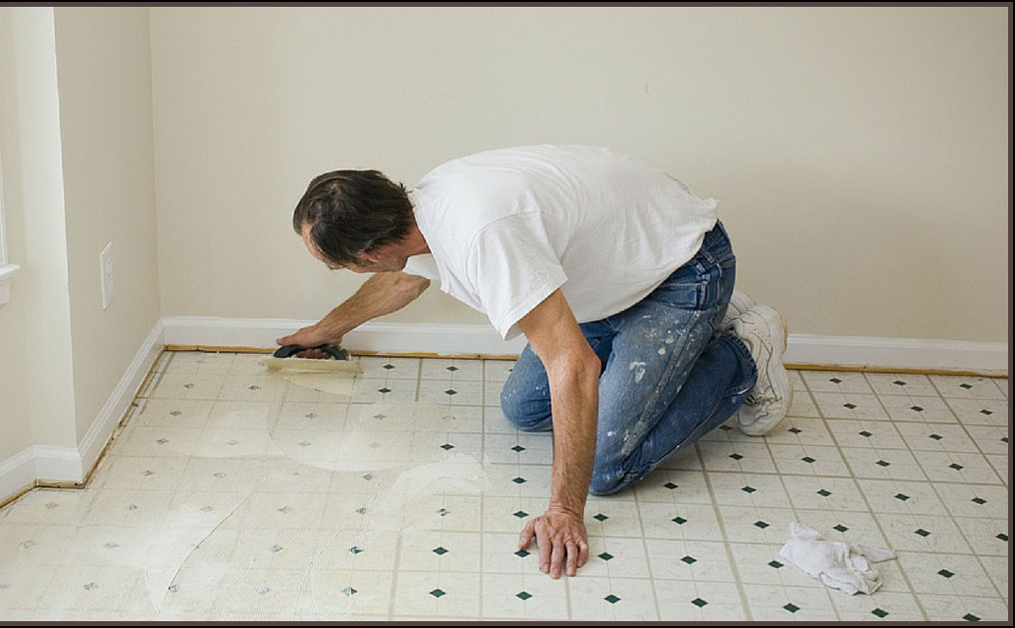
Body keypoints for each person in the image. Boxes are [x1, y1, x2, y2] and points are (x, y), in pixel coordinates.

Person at [279, 144, 792, 579]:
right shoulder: (418, 213)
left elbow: (574, 366)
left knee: (607, 467)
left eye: (336, 265)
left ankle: (744, 350)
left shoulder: (482, 235)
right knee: (524, 409)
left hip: (680, 269)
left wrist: (564, 510)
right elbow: (403, 277)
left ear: (370, 253)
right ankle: (676, 342)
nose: (341, 270)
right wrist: (325, 331)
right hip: (609, 279)